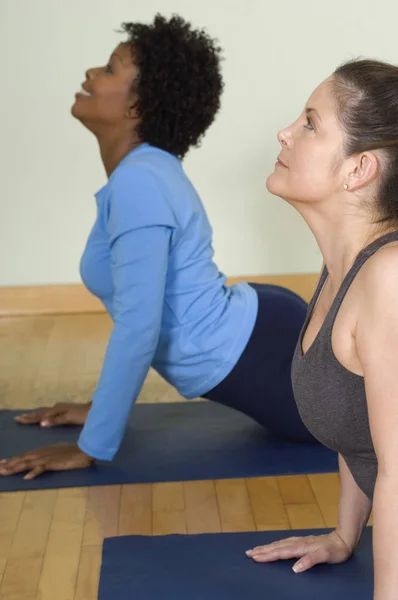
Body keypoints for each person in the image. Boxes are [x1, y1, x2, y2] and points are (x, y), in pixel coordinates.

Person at [0, 14, 312, 481]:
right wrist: (101, 404)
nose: (90, 75)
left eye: (108, 69)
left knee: (373, 425)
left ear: (137, 107)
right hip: (257, 336)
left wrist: (93, 445)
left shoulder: (141, 182)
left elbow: (140, 326)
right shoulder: (143, 174)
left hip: (269, 357)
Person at [245, 58, 398, 598]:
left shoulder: (388, 277)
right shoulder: (345, 266)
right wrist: (343, 534)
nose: (286, 132)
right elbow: (362, 437)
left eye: (310, 123)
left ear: (358, 170)